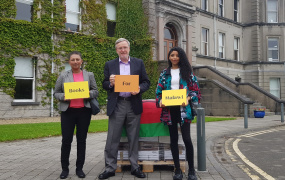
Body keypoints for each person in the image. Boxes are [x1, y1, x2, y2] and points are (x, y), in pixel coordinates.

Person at [99, 38, 150, 179]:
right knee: (112, 138)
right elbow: (104, 84)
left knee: (133, 137)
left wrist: (139, 89)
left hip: (133, 103)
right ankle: (110, 168)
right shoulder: (110, 64)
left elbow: (146, 82)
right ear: (116, 50)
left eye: (125, 47)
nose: (123, 50)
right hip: (117, 104)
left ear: (129, 48)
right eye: (120, 48)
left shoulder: (138, 63)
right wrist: (110, 83)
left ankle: (135, 167)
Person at [155, 47, 201, 180]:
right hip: (169, 110)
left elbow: (196, 91)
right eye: (171, 55)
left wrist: (188, 98)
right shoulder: (164, 73)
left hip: (184, 110)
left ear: (181, 57)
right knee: (173, 139)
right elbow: (158, 92)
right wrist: (161, 101)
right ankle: (177, 170)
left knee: (187, 139)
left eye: (177, 55)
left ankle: (191, 170)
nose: (174, 57)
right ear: (169, 57)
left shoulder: (187, 73)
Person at [54, 51, 99, 179]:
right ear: (69, 62)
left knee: (81, 140)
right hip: (68, 112)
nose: (75, 62)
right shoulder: (63, 75)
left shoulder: (89, 75)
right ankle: (65, 169)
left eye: (77, 59)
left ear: (81, 61)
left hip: (84, 111)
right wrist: (64, 96)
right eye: (72, 60)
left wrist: (88, 94)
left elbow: (95, 91)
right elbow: (56, 93)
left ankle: (79, 168)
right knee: (66, 140)